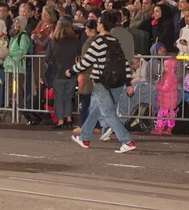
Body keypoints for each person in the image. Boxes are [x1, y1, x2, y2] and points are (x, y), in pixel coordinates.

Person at [66, 11, 136, 154]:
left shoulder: (98, 41)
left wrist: (71, 71)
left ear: (102, 25)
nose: (96, 24)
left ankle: (127, 140)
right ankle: (84, 138)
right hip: (117, 83)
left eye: (98, 22)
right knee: (95, 110)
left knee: (107, 112)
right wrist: (128, 82)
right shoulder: (115, 41)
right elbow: (124, 64)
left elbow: (86, 62)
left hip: (102, 82)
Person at [45, 16, 79, 129]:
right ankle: (68, 118)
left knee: (58, 98)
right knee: (68, 97)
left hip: (58, 73)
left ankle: (60, 121)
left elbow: (47, 57)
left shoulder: (54, 41)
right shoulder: (75, 41)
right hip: (72, 72)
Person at [152, 58, 179, 135]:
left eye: (166, 66)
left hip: (166, 100)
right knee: (169, 115)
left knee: (162, 115)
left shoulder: (169, 76)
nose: (164, 68)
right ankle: (168, 129)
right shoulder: (170, 75)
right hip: (168, 100)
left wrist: (158, 85)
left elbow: (165, 88)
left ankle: (160, 129)